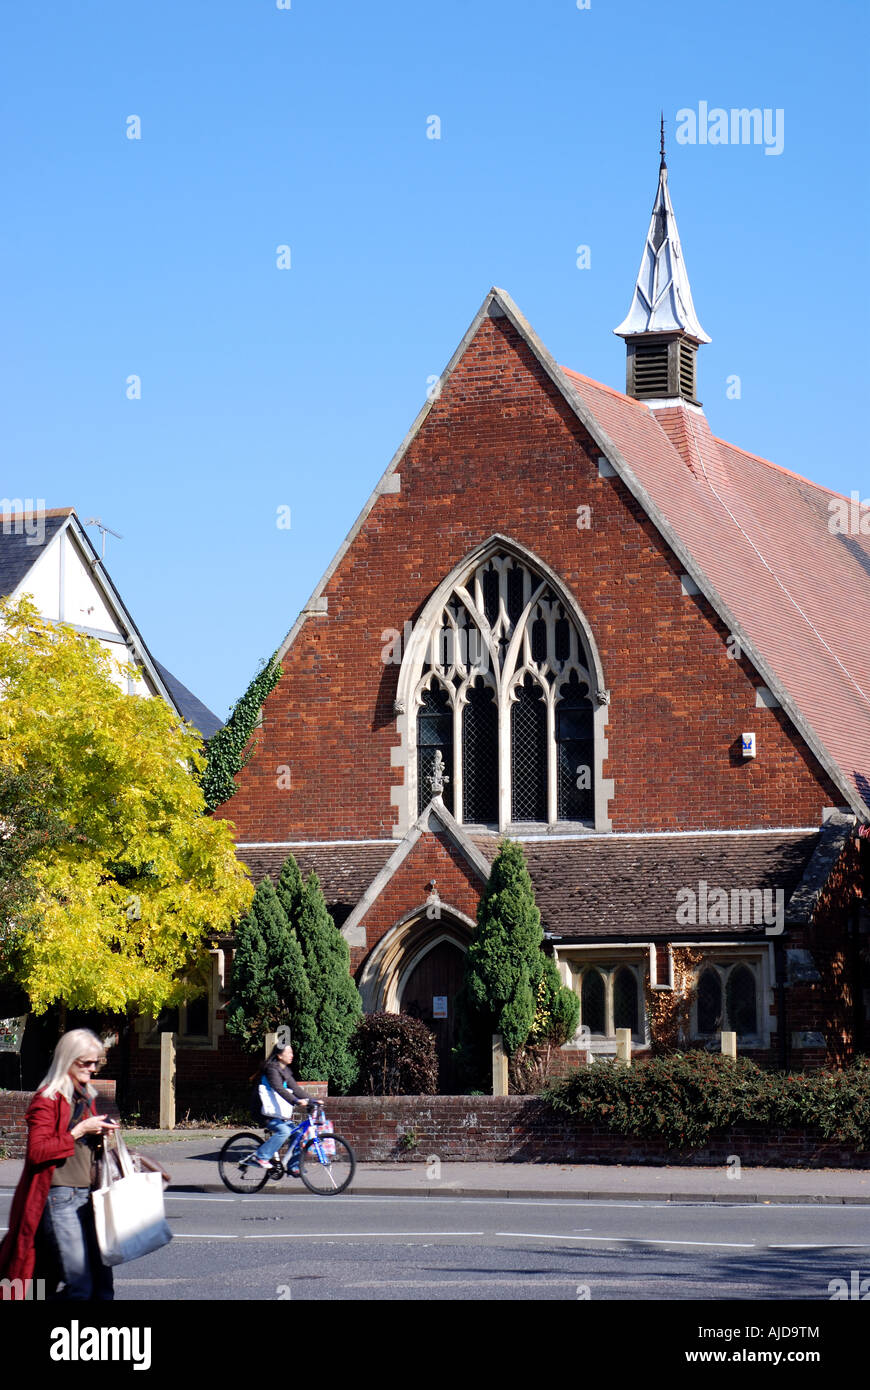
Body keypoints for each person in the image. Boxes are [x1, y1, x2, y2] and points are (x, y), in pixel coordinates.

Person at [0, 1027, 119, 1300]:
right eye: (86, 1063)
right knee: (80, 1286)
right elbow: (37, 1152)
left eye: (96, 1063)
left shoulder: (84, 1096)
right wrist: (79, 1131)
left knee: (102, 1286)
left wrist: (100, 1132)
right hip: (60, 1198)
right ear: (68, 1060)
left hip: (89, 1197)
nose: (93, 1069)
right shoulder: (48, 1099)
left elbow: (83, 1148)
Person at [249, 1042, 315, 1172]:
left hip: (275, 1112)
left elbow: (295, 1088)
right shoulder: (272, 1069)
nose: (292, 1055)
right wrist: (296, 1101)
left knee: (297, 1133)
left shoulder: (284, 1070)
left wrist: (313, 1100)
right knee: (284, 1131)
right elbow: (279, 1089)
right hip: (264, 1111)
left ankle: (294, 1166)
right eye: (288, 1052)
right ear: (279, 1055)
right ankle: (261, 1156)